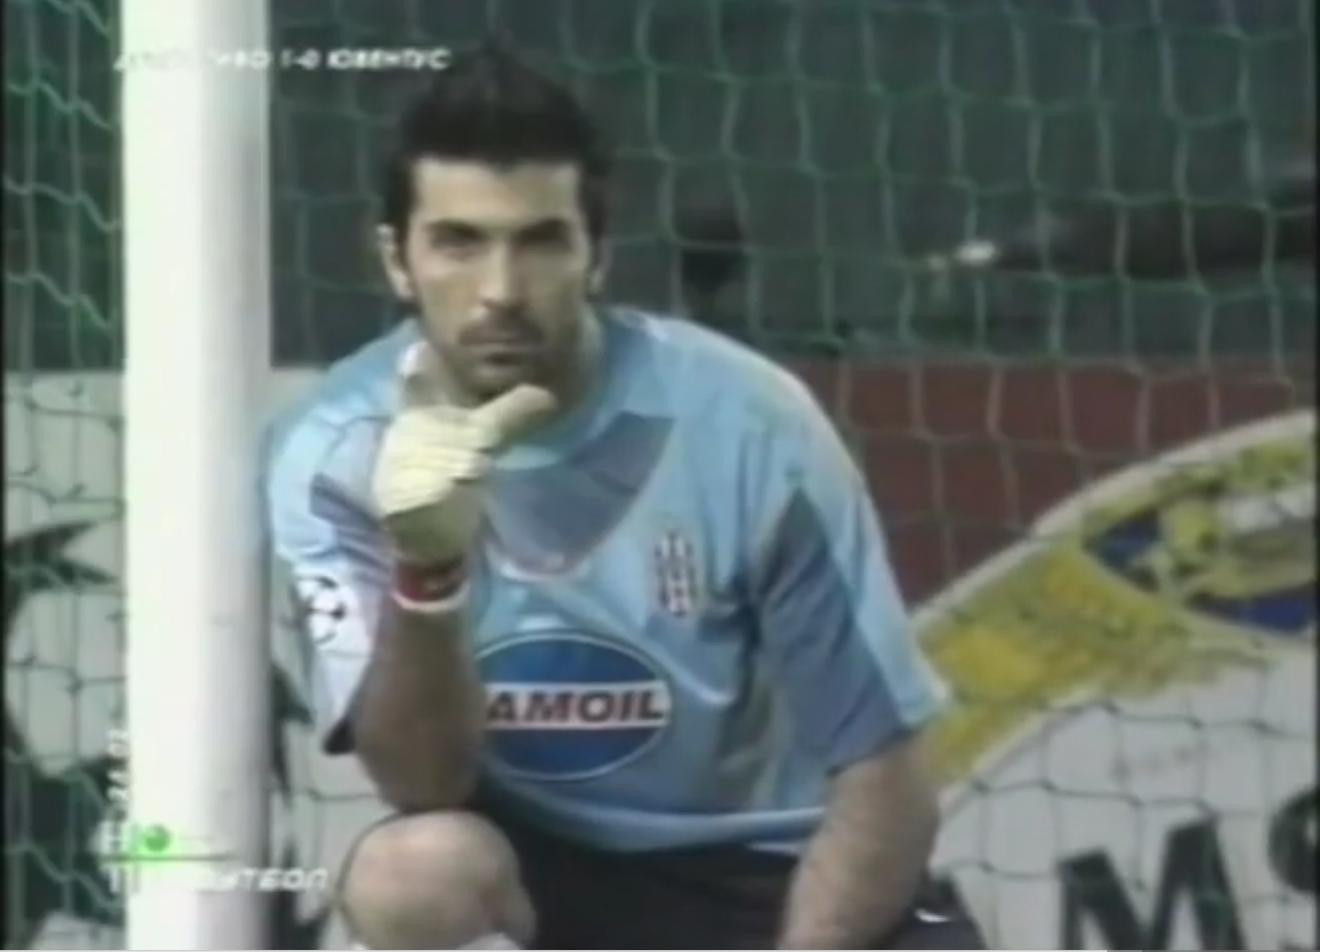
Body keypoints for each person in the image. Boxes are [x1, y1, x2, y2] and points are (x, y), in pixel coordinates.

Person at [264, 44, 984, 950]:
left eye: (540, 241)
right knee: (408, 876)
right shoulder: (333, 451)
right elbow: (421, 783)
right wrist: (428, 568)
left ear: (597, 255)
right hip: (551, 877)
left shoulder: (748, 423)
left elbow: (887, 775)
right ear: (396, 259)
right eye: (459, 242)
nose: (500, 291)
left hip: (783, 868)